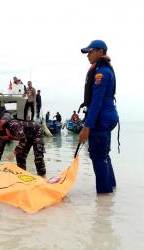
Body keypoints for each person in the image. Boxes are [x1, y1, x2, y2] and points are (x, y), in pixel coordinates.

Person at [78, 40, 119, 194]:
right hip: (106, 116)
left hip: (102, 119)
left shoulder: (102, 73)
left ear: (100, 52)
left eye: (90, 51)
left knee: (97, 156)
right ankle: (111, 190)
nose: (88, 55)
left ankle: (103, 196)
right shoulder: (102, 69)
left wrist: (87, 127)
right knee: (103, 155)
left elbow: (96, 102)